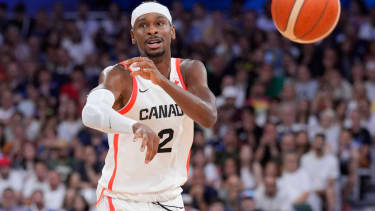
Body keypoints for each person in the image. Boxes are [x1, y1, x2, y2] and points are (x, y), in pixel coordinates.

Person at [81, 2, 217, 211]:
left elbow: (208, 118)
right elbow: (90, 113)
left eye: (159, 23)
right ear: (133, 36)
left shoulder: (190, 71)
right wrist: (134, 126)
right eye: (143, 25)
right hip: (121, 199)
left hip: (170, 197)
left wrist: (161, 80)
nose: (152, 29)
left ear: (171, 32)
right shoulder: (119, 74)